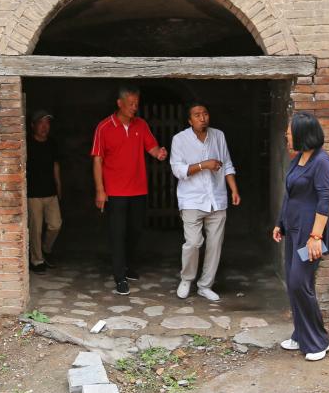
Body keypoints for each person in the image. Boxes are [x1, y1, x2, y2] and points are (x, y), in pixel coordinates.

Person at [91, 85, 167, 296]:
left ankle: (128, 265)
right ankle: (120, 277)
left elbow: (151, 147)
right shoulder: (104, 127)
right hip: (115, 192)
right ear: (120, 103)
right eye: (131, 103)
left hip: (138, 189)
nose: (135, 107)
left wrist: (159, 153)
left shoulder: (141, 125)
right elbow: (97, 160)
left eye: (137, 104)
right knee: (118, 234)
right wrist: (100, 190)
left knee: (136, 230)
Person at [271, 111, 329, 361]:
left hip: (311, 234)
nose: (286, 136)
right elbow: (290, 194)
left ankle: (319, 341)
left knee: (301, 283)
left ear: (302, 134)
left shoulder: (323, 162)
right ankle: (301, 335)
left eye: (289, 132)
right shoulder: (299, 158)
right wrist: (280, 222)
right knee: (293, 282)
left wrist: (316, 237)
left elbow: (324, 202)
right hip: (294, 230)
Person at [169, 100, 240, 302]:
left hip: (217, 198)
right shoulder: (179, 139)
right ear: (189, 120)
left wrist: (234, 190)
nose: (202, 118)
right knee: (192, 243)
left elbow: (227, 164)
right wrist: (204, 165)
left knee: (215, 245)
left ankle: (205, 285)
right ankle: (186, 279)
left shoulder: (218, 136)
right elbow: (178, 170)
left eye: (205, 114)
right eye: (197, 115)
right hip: (191, 199)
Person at [26, 109, 62, 274]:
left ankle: (46, 250)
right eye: (40, 123)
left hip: (50, 193)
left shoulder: (52, 143)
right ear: (32, 125)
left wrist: (59, 187)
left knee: (56, 225)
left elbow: (56, 166)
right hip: (33, 194)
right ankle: (37, 260)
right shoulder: (27, 144)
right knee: (36, 229)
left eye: (47, 123)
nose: (44, 126)